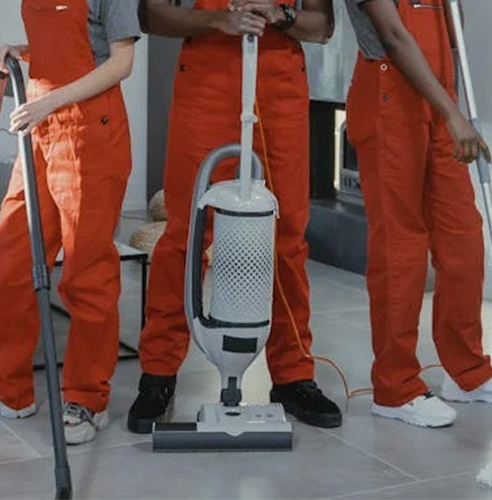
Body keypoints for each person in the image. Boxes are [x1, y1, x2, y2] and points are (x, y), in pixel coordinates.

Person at [129, 0, 342, 433]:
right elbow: (151, 15)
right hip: (206, 80)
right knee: (186, 234)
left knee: (287, 237)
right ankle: (159, 372)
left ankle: (292, 374)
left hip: (280, 85)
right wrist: (216, 19)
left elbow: (322, 27)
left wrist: (281, 16)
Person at [0, 0, 140, 446]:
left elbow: (121, 61)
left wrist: (50, 100)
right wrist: (24, 52)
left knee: (86, 270)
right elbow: (60, 48)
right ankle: (6, 388)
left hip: (88, 135)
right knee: (12, 256)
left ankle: (86, 398)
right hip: (41, 130)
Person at [344, 0, 492, 428]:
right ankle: (395, 386)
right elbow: (394, 36)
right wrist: (453, 114)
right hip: (389, 95)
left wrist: (448, 109)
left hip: (439, 97)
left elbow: (453, 33)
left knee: (463, 238)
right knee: (399, 250)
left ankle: (468, 372)